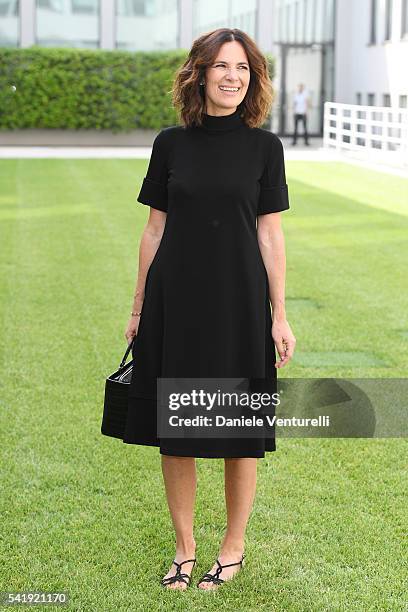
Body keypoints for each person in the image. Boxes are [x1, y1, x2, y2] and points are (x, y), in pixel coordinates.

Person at [122, 28, 296, 590]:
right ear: (199, 73)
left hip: (240, 302)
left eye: (243, 68)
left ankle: (233, 547)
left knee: (239, 430)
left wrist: (279, 313)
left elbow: (270, 235)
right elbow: (154, 229)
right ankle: (184, 549)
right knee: (179, 428)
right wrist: (138, 305)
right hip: (177, 301)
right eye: (222, 66)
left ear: (254, 78)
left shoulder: (265, 148)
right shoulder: (170, 143)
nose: (232, 77)